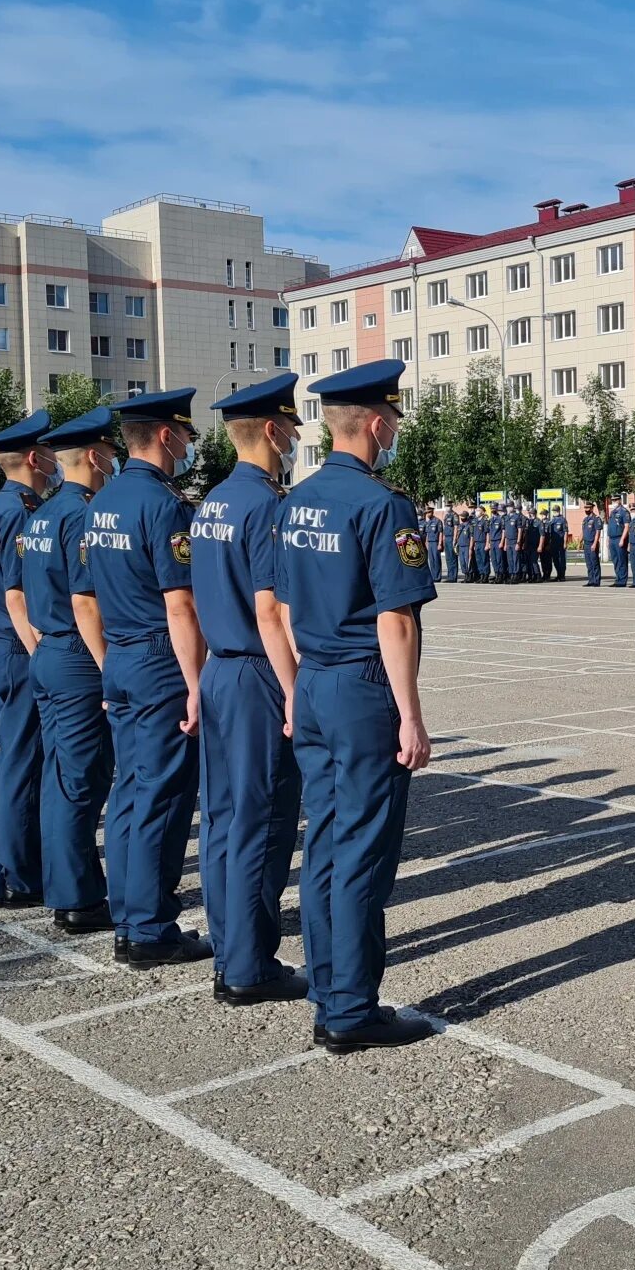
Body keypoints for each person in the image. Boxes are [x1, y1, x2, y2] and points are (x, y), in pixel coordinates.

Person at [276, 359, 438, 1053]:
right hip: (361, 689)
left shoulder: (297, 500)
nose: (394, 431)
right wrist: (411, 713)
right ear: (375, 422)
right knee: (365, 850)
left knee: (326, 842)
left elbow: (280, 606)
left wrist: (294, 690)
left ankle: (325, 982)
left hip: (313, 681)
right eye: (393, 421)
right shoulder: (381, 505)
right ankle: (350, 1009)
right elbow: (395, 621)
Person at [191, 374, 307, 1006]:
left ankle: (228, 943)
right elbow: (269, 611)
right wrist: (293, 690)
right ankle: (248, 966)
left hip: (218, 669)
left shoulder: (212, 501)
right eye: (289, 427)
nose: (292, 438)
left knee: (224, 819)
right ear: (270, 430)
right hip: (259, 672)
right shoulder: (267, 505)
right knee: (262, 821)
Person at [86, 389, 209, 968]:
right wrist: (195, 681)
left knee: (132, 791)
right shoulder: (165, 507)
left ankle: (128, 914)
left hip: (122, 656)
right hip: (160, 659)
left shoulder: (103, 501)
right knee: (161, 795)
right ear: (166, 436)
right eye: (185, 436)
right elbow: (181, 604)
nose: (187, 446)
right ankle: (150, 927)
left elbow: (85, 596)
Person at [22, 407, 116, 933]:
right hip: (79, 658)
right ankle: (79, 898)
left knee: (60, 779)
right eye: (110, 453)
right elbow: (85, 603)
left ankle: (63, 889)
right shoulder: (82, 514)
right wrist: (108, 670)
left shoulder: (42, 514)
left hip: (50, 652)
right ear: (96, 456)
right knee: (80, 782)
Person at [0, 409, 55, 907]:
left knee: (2, 762)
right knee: (21, 764)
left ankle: (3, 871)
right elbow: (19, 597)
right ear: (36, 457)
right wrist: (38, 651)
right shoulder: (21, 512)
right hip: (18, 648)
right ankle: (21, 875)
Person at [607, 495, 630, 586]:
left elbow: (626, 527)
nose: (614, 502)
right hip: (612, 538)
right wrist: (608, 539)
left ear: (619, 500)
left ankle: (622, 580)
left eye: (616, 500)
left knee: (622, 560)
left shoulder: (624, 512)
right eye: (612, 500)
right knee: (615, 560)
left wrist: (622, 539)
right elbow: (610, 526)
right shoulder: (612, 512)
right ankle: (618, 578)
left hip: (619, 538)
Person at [580, 500, 603, 585]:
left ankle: (596, 581)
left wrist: (595, 543)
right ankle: (591, 580)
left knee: (594, 562)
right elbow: (583, 531)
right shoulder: (585, 519)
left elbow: (598, 532)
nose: (586, 509)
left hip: (592, 543)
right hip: (586, 544)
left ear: (592, 508)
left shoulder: (596, 519)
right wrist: (580, 542)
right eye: (585, 508)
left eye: (588, 508)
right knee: (588, 563)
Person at [545, 502, 568, 581]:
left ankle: (562, 575)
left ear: (559, 511)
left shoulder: (563, 520)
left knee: (561, 559)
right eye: (553, 511)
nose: (555, 512)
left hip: (560, 543)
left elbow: (565, 532)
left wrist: (565, 542)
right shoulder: (552, 521)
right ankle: (558, 574)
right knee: (555, 559)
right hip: (553, 543)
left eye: (556, 511)